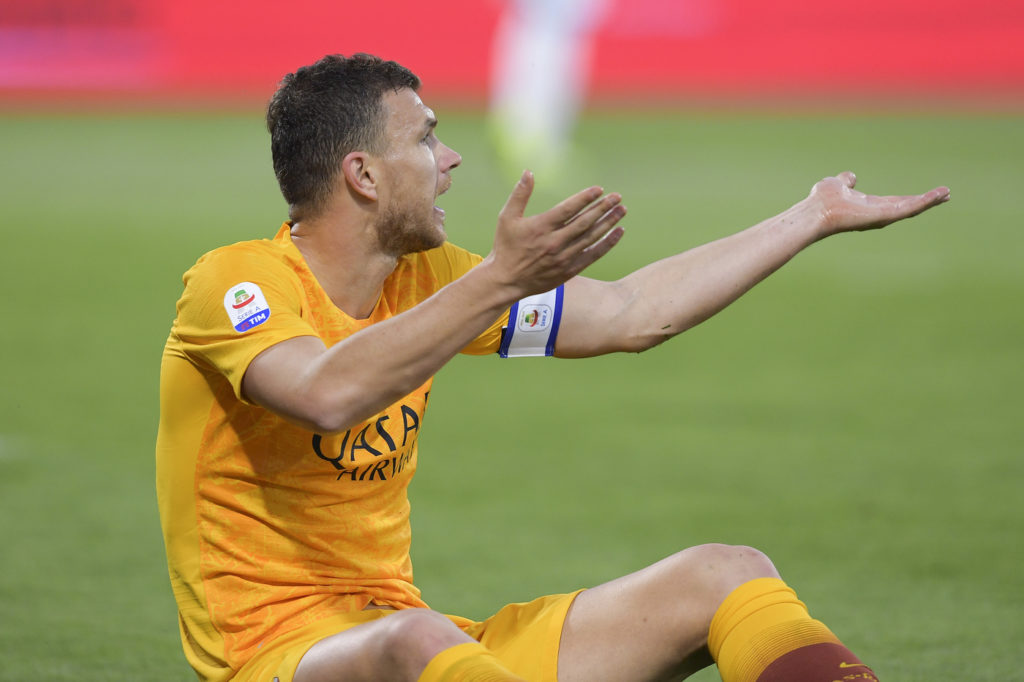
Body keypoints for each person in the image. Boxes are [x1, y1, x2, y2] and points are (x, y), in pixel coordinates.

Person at [155, 53, 949, 682]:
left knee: (726, 574)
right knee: (415, 640)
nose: (451, 158)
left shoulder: (427, 280)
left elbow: (634, 312)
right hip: (280, 658)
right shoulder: (235, 282)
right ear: (363, 175)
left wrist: (811, 216)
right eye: (426, 139)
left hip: (417, 640)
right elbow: (325, 393)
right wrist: (499, 281)